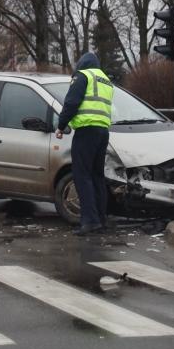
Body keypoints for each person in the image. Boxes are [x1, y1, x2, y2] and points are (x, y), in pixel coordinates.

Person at [56, 52, 113, 236]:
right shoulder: (105, 80)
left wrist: (61, 125)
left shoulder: (83, 76)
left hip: (86, 131)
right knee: (97, 176)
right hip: (103, 132)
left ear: (82, 63)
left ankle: (89, 221)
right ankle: (101, 219)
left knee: (82, 175)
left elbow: (71, 102)